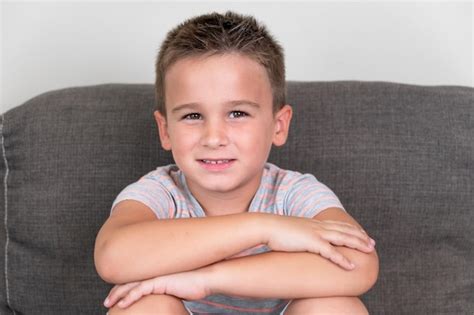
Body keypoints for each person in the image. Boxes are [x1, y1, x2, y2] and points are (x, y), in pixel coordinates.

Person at [94, 11, 379, 315]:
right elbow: (113, 257)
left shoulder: (294, 193)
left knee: (335, 305)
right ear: (165, 130)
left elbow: (359, 265)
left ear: (278, 126)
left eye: (237, 113)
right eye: (192, 116)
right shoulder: (161, 192)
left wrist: (205, 279)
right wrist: (264, 228)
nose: (214, 137)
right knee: (145, 305)